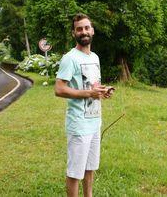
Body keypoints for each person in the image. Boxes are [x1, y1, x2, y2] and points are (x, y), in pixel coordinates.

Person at [55, 13, 113, 197]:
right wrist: (89, 93)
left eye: (86, 28)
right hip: (79, 125)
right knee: (75, 174)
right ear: (74, 33)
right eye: (79, 29)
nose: (84, 31)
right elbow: (59, 89)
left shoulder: (95, 57)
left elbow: (92, 86)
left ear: (92, 30)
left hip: (95, 122)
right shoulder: (70, 58)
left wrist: (102, 91)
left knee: (90, 168)